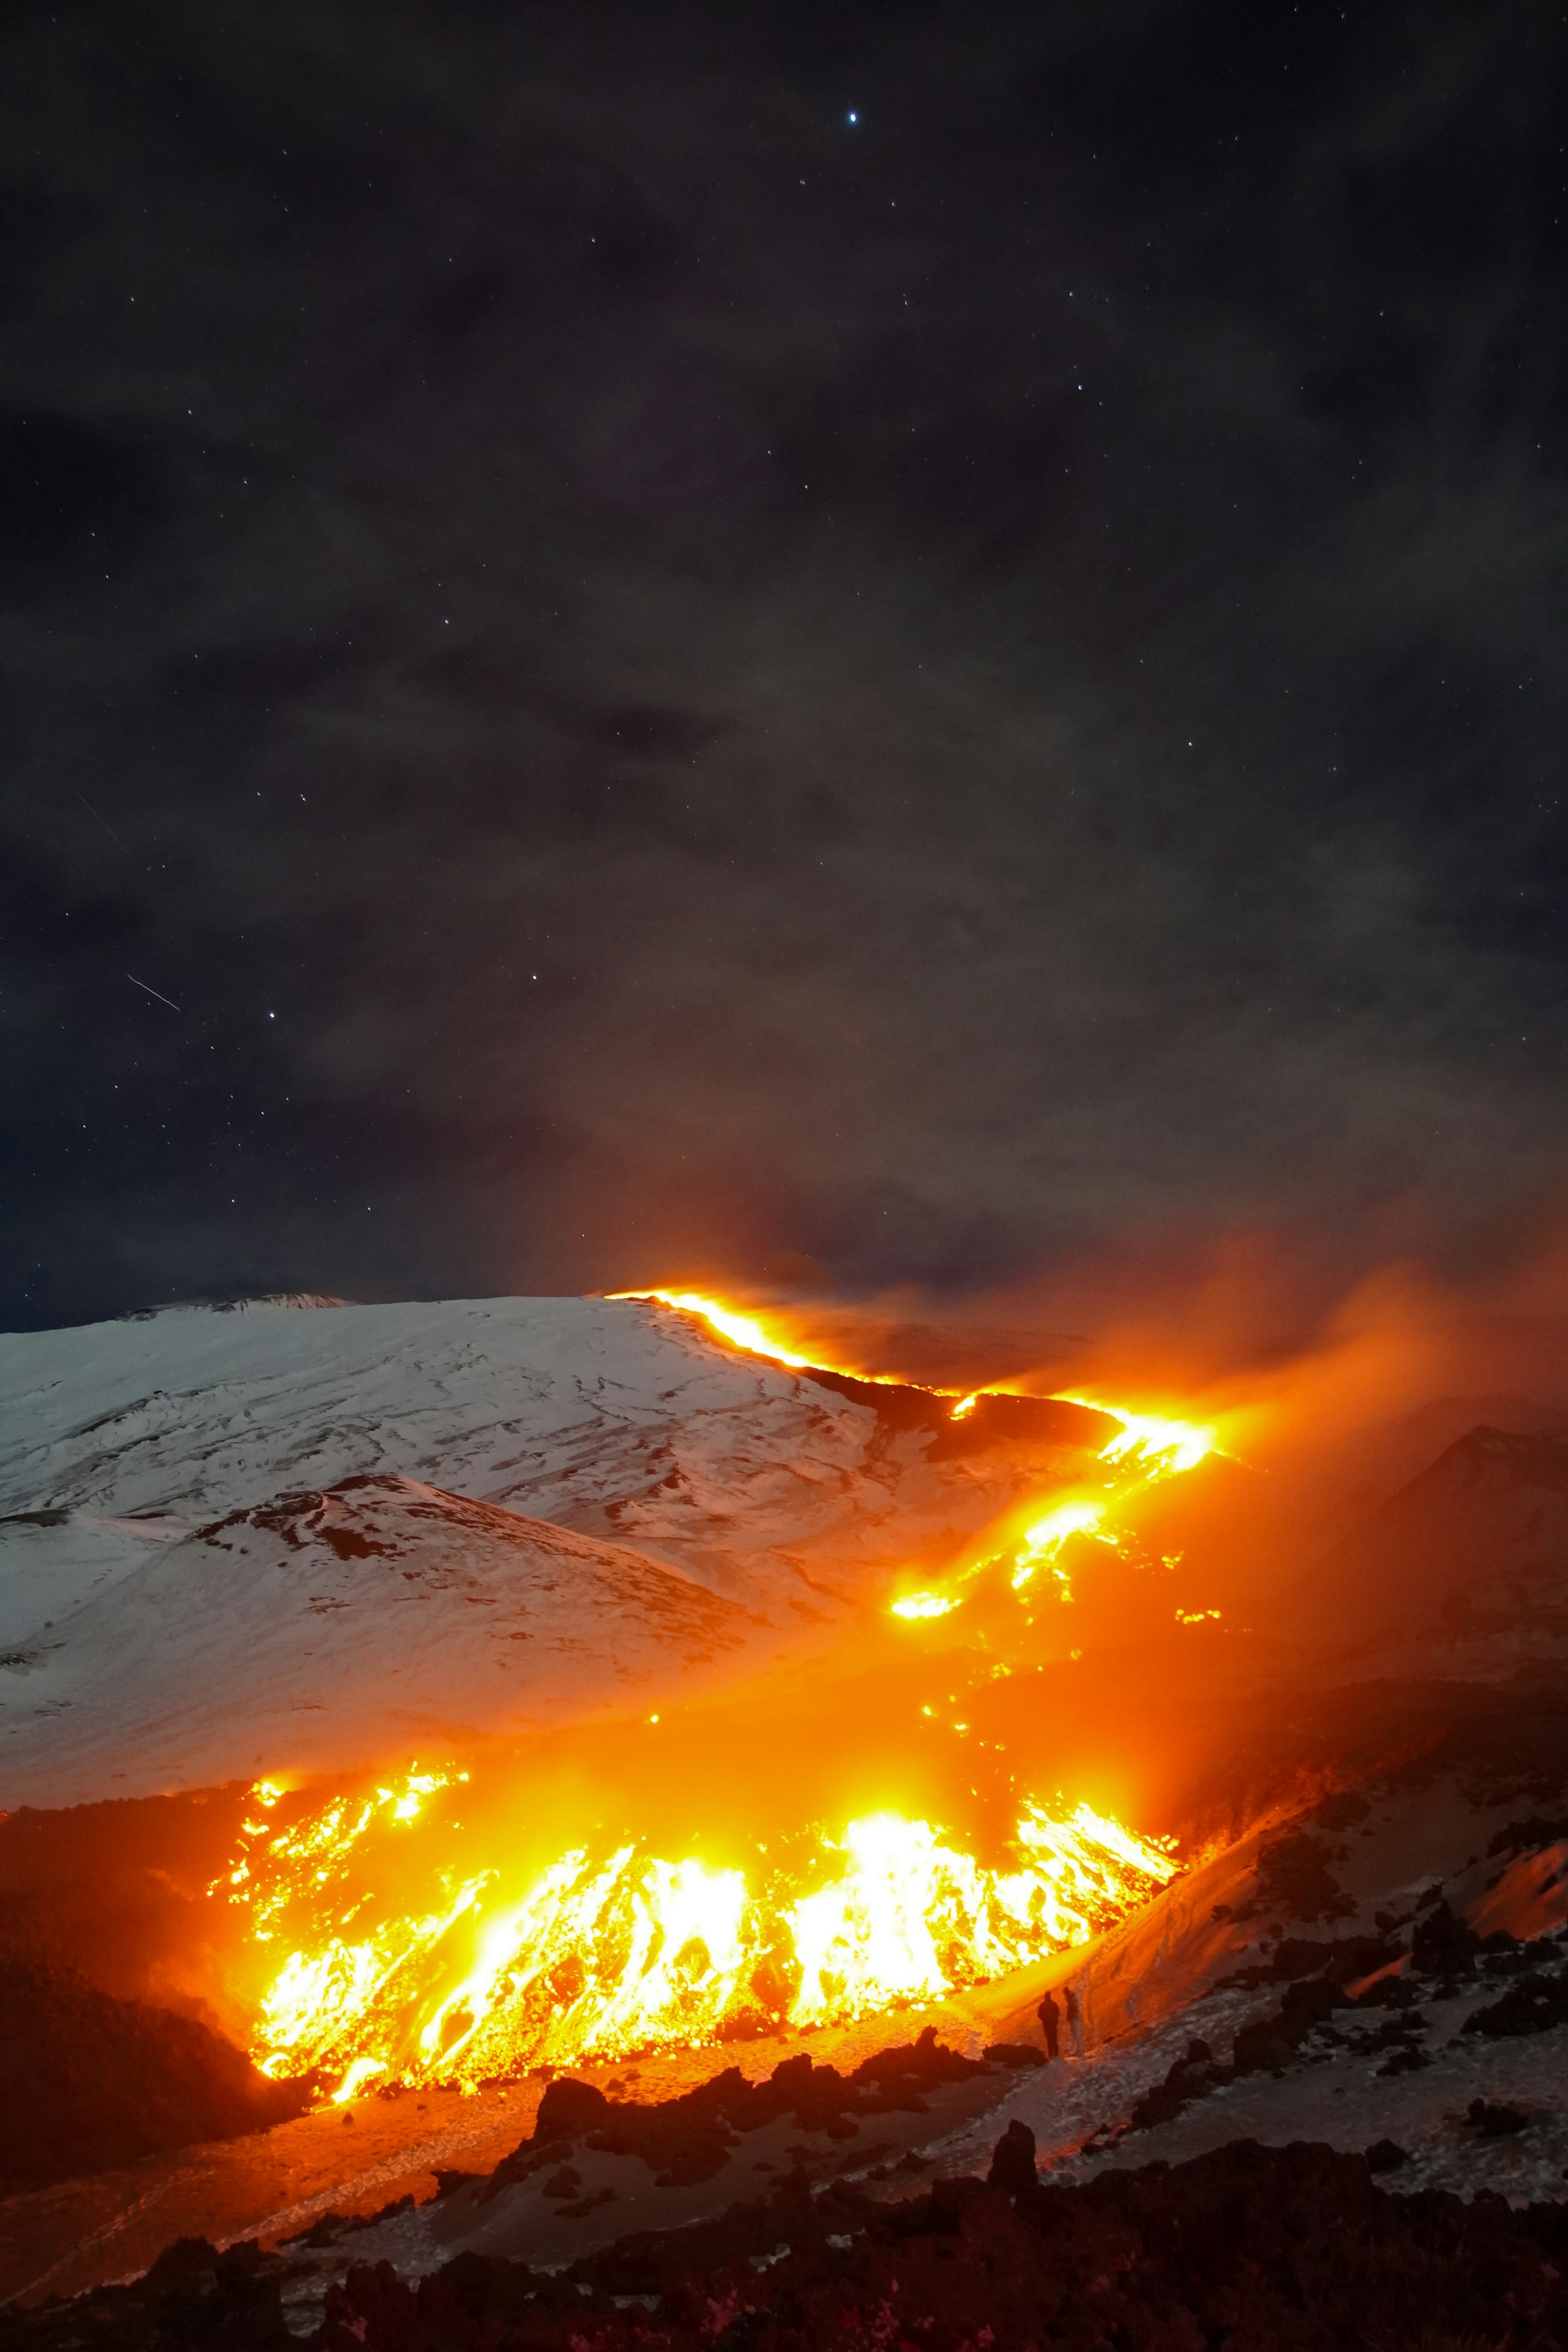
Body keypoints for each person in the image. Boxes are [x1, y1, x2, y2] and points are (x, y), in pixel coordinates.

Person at [1036, 1987, 1060, 2058]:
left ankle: (1051, 2054)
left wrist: (1045, 2019)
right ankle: (1056, 2054)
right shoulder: (1054, 2004)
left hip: (1047, 2025)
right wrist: (1055, 2019)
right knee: (1054, 2039)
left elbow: (1039, 2014)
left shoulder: (1042, 2005)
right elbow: (1058, 2012)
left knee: (1049, 2040)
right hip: (1053, 2024)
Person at [1064, 1980, 1085, 2059]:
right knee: (1075, 2034)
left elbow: (1072, 2009)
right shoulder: (1072, 1998)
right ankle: (1078, 2050)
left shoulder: (1071, 1999)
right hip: (1074, 2017)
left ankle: (1080, 2051)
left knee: (1077, 2034)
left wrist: (1070, 2016)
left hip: (1074, 2018)